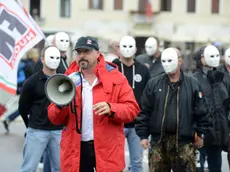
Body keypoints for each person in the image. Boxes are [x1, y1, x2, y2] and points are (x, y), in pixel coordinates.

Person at [47, 36, 140, 172]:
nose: (82, 56)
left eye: (87, 51)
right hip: (76, 149)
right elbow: (54, 118)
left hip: (107, 149)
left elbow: (132, 109)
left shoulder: (116, 77)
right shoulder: (68, 79)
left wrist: (111, 108)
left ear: (97, 54)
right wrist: (60, 104)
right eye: (79, 52)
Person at [135, 47, 211, 172]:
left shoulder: (193, 84)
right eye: (164, 61)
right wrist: (143, 135)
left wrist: (201, 134)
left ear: (179, 61)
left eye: (170, 60)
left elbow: (202, 111)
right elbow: (144, 110)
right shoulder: (153, 84)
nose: (167, 64)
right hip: (158, 142)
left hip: (184, 143)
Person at [19, 46, 62, 172]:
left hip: (58, 131)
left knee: (60, 168)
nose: (54, 60)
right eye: (51, 57)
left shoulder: (63, 80)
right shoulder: (31, 82)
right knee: (29, 168)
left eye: (57, 57)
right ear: (42, 59)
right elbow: (23, 107)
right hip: (37, 130)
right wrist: (31, 125)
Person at [112, 36, 150, 172]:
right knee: (114, 163)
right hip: (116, 123)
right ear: (119, 49)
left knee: (137, 163)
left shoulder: (144, 70)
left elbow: (148, 97)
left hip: (137, 124)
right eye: (124, 46)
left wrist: (146, 121)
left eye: (130, 46)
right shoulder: (111, 68)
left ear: (135, 49)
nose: (127, 50)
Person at [193, 45, 229, 172]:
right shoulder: (194, 80)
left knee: (216, 168)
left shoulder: (221, 78)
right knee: (198, 168)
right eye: (209, 55)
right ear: (200, 59)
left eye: (216, 55)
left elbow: (226, 106)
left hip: (218, 135)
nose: (214, 58)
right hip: (201, 135)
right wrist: (196, 134)